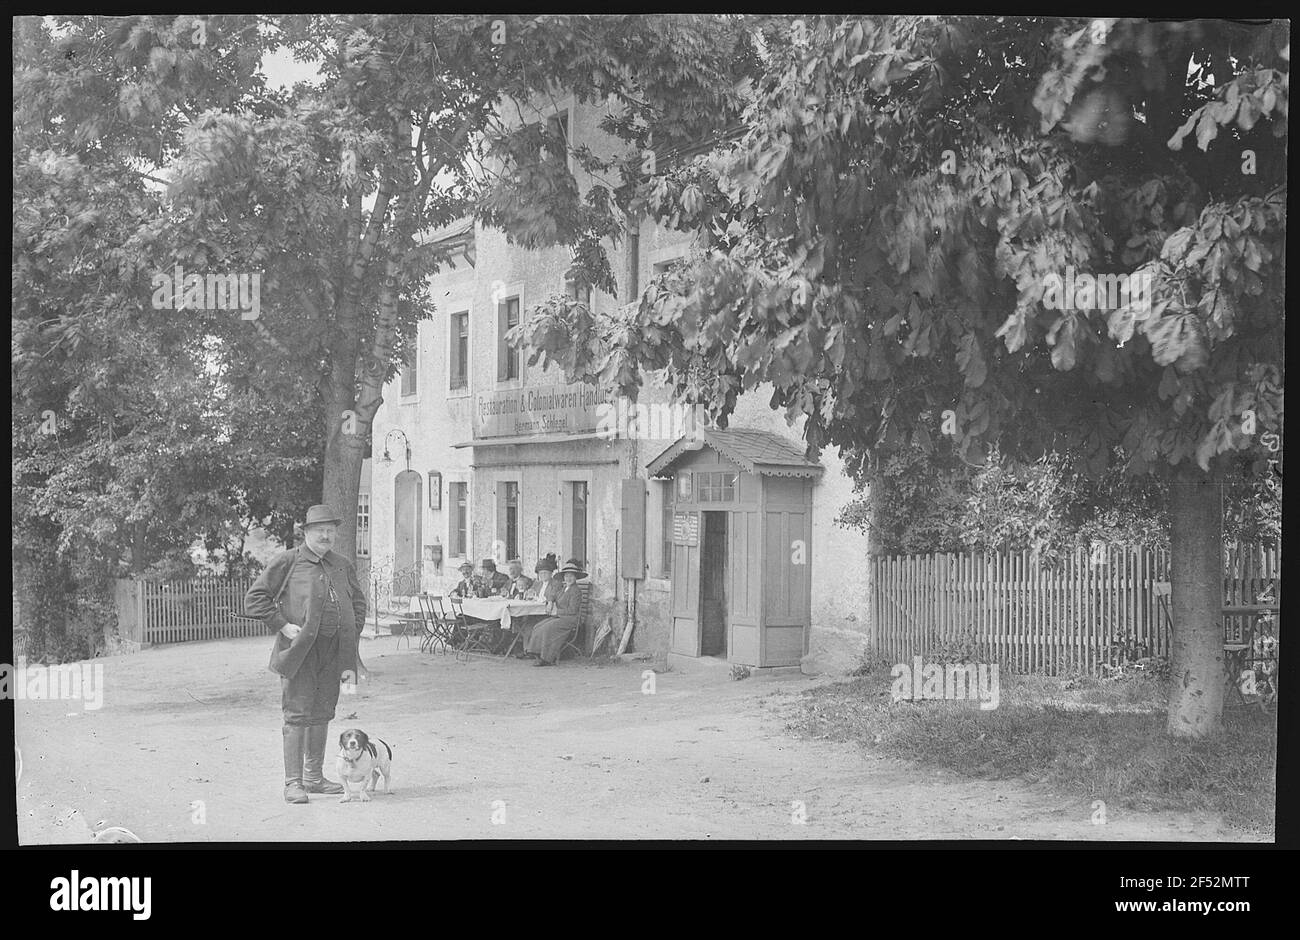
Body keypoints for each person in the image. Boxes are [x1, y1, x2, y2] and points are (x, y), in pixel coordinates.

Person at [244, 504, 366, 804]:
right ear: (306, 532)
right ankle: (293, 783)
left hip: (335, 653)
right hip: (300, 653)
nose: (326, 535)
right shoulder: (288, 561)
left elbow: (358, 601)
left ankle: (314, 778)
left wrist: (352, 629)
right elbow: (255, 598)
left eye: (330, 530)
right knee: (297, 715)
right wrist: (283, 626)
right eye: (320, 530)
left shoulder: (342, 564)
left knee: (323, 712)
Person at [525, 559, 587, 666]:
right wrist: (550, 602)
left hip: (571, 619)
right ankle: (536, 653)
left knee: (548, 628)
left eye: (571, 576)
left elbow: (573, 610)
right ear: (563, 578)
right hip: (560, 616)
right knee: (538, 626)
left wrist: (556, 611)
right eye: (566, 576)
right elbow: (553, 595)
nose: (569, 578)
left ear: (575, 577)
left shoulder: (576, 591)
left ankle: (546, 658)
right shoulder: (564, 589)